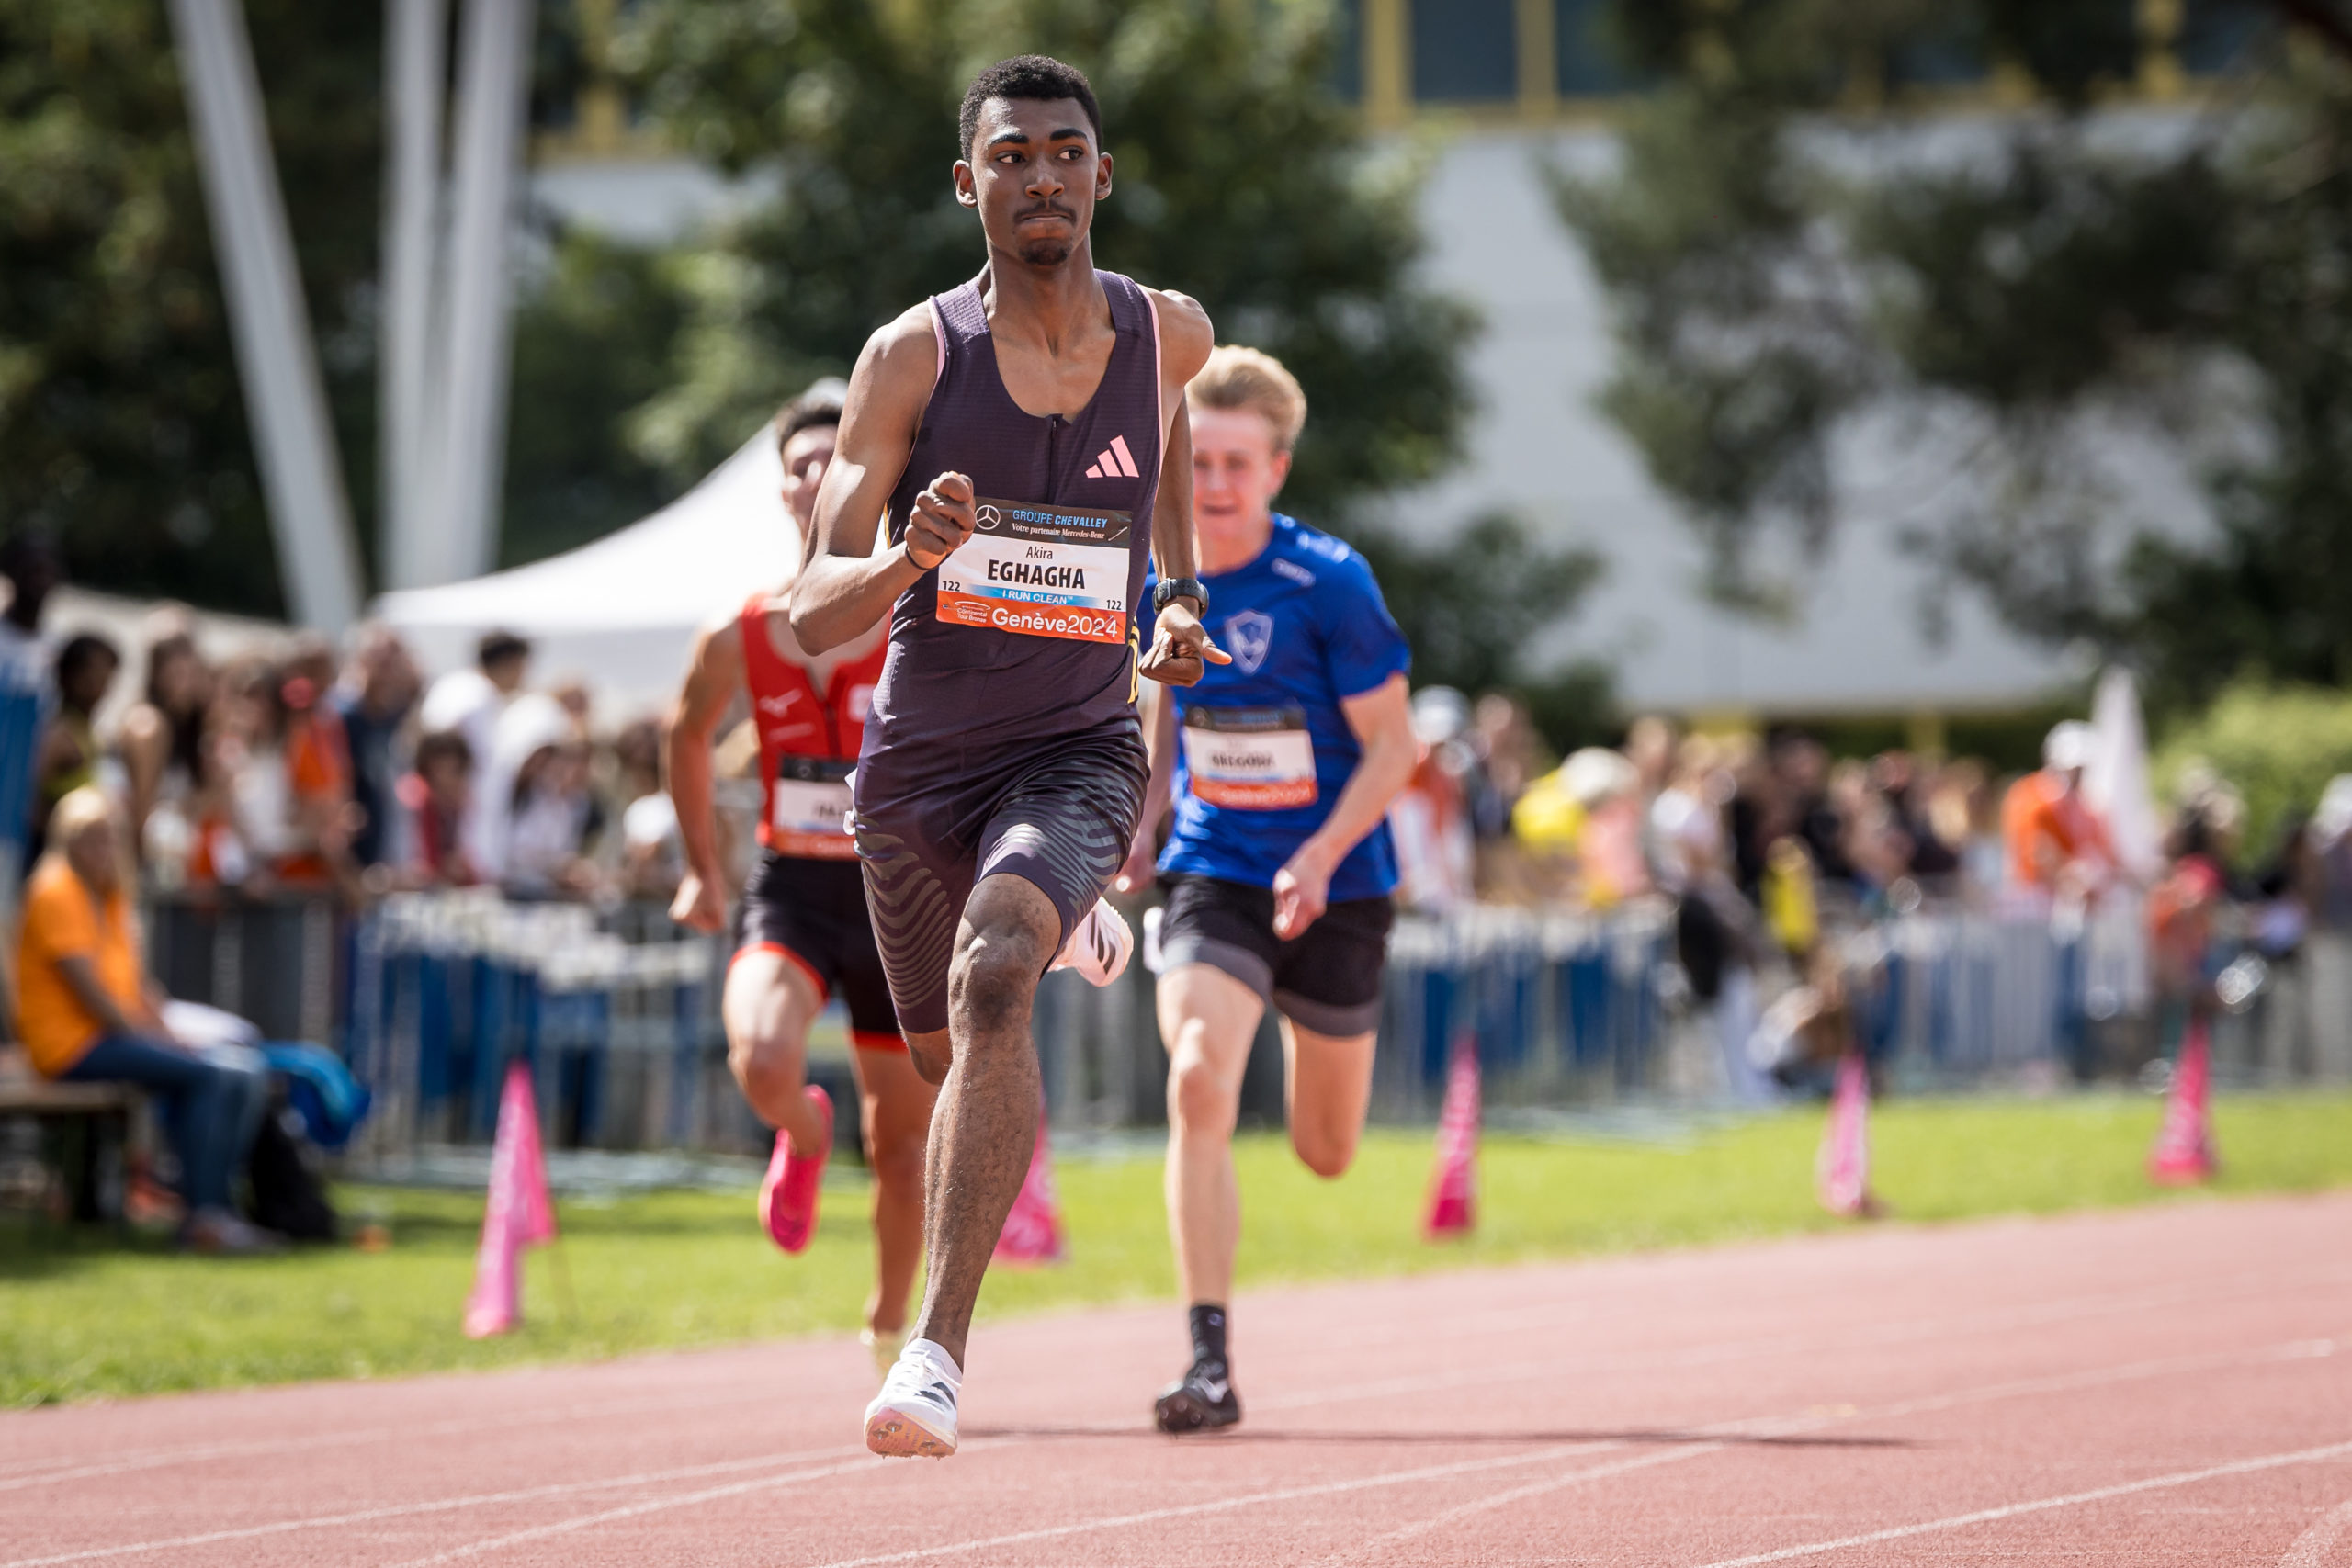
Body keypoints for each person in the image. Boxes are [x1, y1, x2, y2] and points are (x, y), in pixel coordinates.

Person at [788, 54, 1218, 1457]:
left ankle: (937, 1352)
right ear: (969, 183)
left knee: (989, 977)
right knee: (932, 1047)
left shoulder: (1173, 333)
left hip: (1080, 744)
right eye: (1013, 155)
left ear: (1104, 173)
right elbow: (807, 610)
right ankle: (1071, 926)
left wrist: (1180, 595)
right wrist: (906, 555)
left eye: (1066, 151)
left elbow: (1162, 443)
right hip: (920, 768)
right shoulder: (912, 356)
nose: (1043, 175)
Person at [1111, 344, 1415, 1433]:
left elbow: (1396, 751)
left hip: (1339, 881)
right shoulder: (1155, 581)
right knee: (1196, 1082)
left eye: (1240, 463)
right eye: (1201, 461)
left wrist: (1323, 854)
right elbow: (1154, 719)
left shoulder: (1326, 580)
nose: (1217, 484)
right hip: (1217, 870)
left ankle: (1308, 1041)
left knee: (1324, 1151)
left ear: (1277, 470)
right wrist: (1138, 825)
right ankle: (1208, 1363)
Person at [668, 384, 940, 1372]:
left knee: (904, 1146)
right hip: (792, 889)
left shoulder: (925, 610)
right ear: (784, 496)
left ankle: (886, 1329)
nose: (816, 477)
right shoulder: (739, 632)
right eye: (798, 468)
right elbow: (685, 735)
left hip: (901, 898)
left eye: (835, 461)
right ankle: (801, 1133)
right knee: (761, 1057)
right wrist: (704, 871)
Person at [17, 789, 274, 1252]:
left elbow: (135, 984)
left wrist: (170, 1033)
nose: (104, 849)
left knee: (243, 1069)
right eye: (91, 838)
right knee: (213, 1075)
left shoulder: (108, 893)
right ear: (66, 840)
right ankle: (202, 1215)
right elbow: (94, 996)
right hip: (73, 1045)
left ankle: (217, 1208)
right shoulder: (57, 890)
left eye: (110, 838)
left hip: (113, 1034)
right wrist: (158, 1041)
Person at [420, 630, 532, 875]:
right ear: (509, 662)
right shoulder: (478, 695)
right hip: (454, 818)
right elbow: (446, 753)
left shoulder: (454, 684)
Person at [32, 633, 119, 860]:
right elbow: (28, 800)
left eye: (105, 674)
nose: (99, 683)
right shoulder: (59, 734)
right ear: (68, 676)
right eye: (90, 674)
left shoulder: (87, 732)